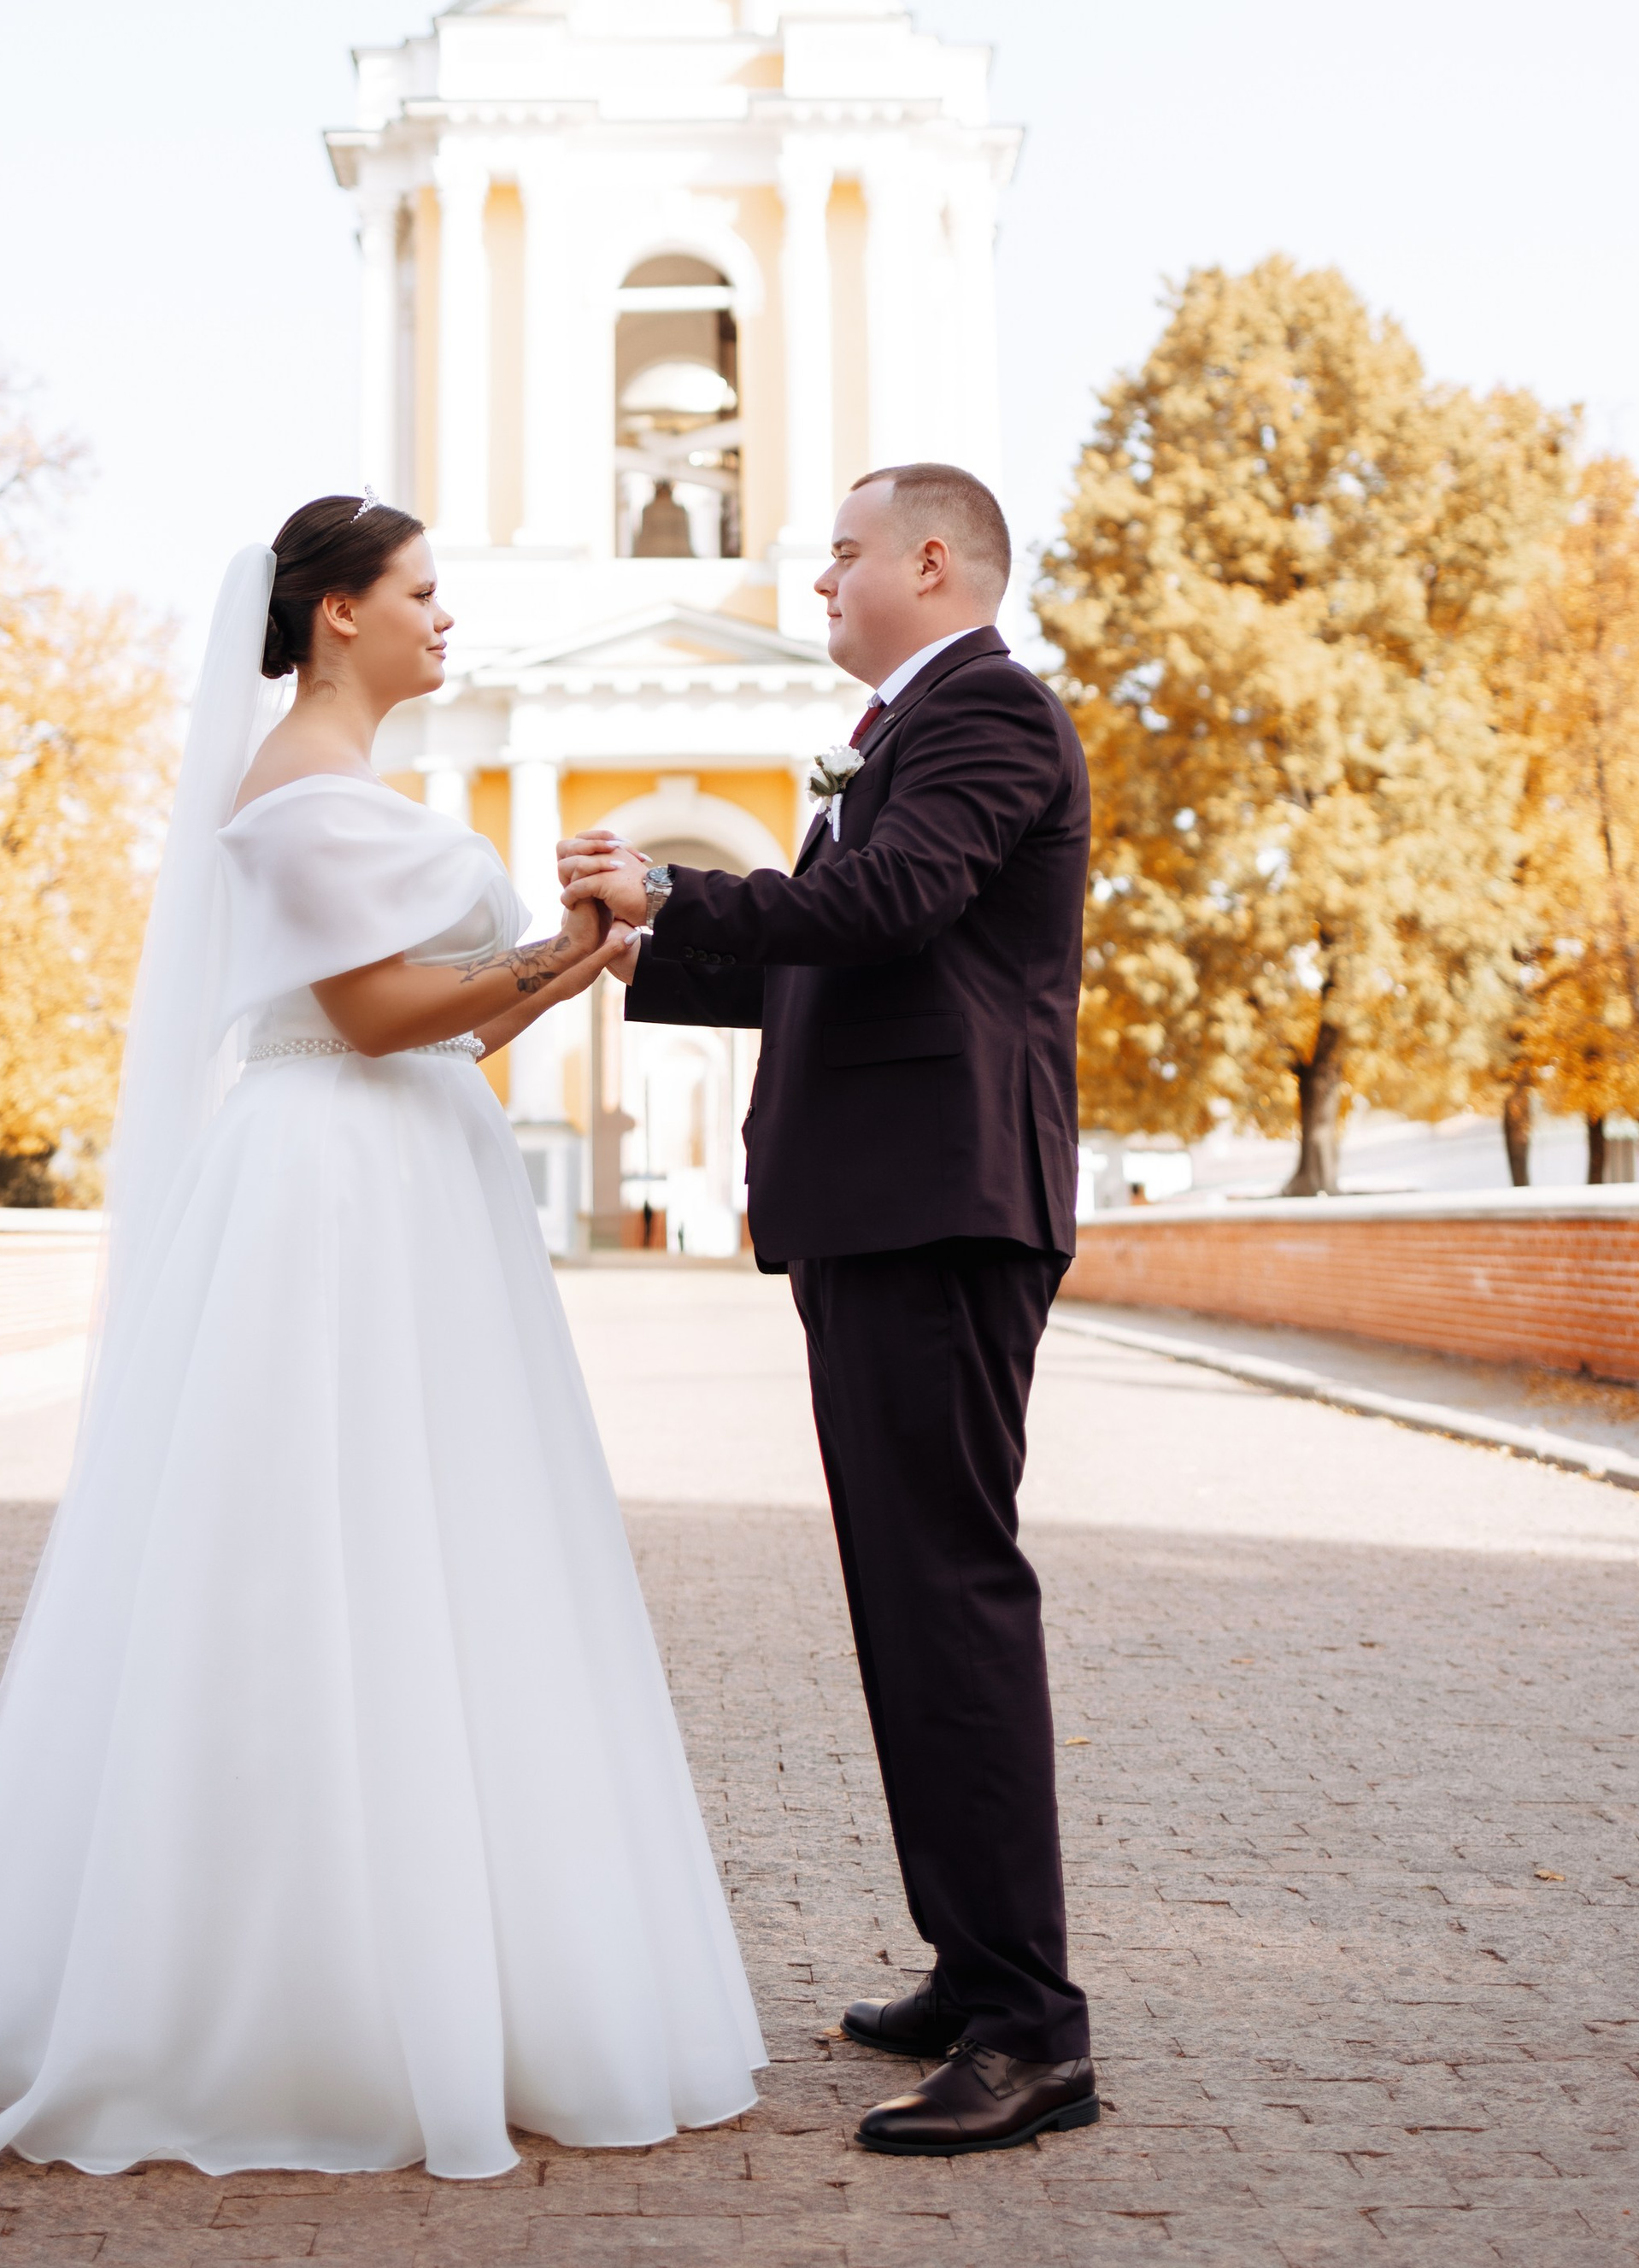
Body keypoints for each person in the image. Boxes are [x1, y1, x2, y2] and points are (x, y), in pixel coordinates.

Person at [0, 495, 765, 2182]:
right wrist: (547, 950)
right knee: (334, 1534)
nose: (443, 618)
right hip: (335, 1179)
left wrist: (569, 965)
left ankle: (454, 1956)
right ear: (333, 612)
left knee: (441, 1530)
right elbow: (372, 1013)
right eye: (419, 591)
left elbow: (429, 1025)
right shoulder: (299, 795)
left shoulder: (348, 788)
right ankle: (299, 1986)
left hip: (401, 1162)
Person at [561, 461, 1096, 2160]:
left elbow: (883, 908)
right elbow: (825, 953)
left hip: (941, 1208)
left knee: (945, 1597)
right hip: (880, 1208)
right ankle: (972, 1961)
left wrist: (667, 888)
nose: (816, 580)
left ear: (931, 560)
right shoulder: (902, 728)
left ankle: (1028, 2028)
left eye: (841, 552)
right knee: (900, 1600)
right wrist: (636, 947)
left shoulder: (988, 714)